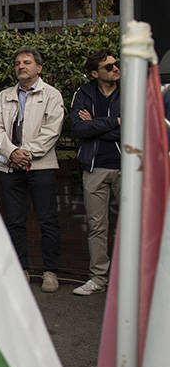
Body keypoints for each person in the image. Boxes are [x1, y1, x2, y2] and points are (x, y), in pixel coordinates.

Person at [0, 48, 65, 292]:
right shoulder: (5, 95)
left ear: (38, 68)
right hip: (10, 167)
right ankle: (20, 268)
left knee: (47, 219)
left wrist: (26, 153)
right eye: (18, 63)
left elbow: (52, 130)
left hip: (40, 166)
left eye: (27, 62)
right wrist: (11, 152)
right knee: (14, 220)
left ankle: (50, 271)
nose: (21, 66)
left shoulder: (51, 95)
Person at [69, 49, 121, 297]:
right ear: (94, 73)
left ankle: (129, 279)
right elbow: (79, 128)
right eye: (108, 67)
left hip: (127, 167)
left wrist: (96, 124)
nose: (115, 69)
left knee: (131, 225)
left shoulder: (129, 91)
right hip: (94, 167)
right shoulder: (84, 93)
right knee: (97, 226)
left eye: (116, 64)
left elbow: (134, 128)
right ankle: (99, 278)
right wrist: (115, 122)